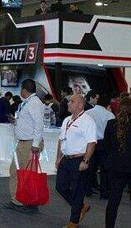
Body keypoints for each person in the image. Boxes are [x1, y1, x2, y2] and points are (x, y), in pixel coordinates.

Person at [55, 94, 97, 228]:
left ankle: (74, 222)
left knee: (77, 190)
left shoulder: (88, 121)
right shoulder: (66, 120)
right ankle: (81, 206)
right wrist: (58, 158)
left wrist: (86, 161)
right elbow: (61, 140)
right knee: (60, 186)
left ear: (80, 105)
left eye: (72, 101)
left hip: (79, 159)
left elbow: (92, 142)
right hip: (65, 159)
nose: (68, 103)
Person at [103, 98, 131, 228]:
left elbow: (106, 146)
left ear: (119, 108)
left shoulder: (111, 124)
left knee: (113, 200)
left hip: (116, 168)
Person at [5, 79, 44, 213]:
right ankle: (20, 200)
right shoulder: (28, 103)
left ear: (24, 90)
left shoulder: (34, 103)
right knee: (17, 171)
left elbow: (39, 125)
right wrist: (16, 121)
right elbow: (31, 123)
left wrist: (35, 145)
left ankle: (25, 202)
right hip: (24, 143)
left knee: (26, 174)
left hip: (29, 144)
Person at [85, 92, 114, 199]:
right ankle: (104, 192)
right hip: (104, 143)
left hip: (90, 142)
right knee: (104, 169)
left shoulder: (87, 113)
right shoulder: (109, 115)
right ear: (108, 104)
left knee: (89, 167)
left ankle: (87, 190)